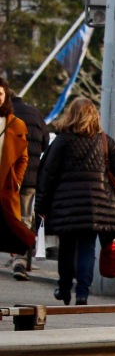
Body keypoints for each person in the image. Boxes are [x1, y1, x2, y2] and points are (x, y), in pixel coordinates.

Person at [35, 98, 115, 305]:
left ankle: (65, 288)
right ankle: (83, 292)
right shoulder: (105, 141)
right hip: (96, 205)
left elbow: (47, 174)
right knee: (87, 248)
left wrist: (41, 206)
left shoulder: (62, 141)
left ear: (71, 114)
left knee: (66, 248)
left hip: (66, 205)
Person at [10, 92, 48, 280]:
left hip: (7, 177)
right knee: (25, 218)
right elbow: (45, 142)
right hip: (30, 177)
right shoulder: (35, 113)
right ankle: (20, 260)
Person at [0, 76, 35, 259]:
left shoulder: (16, 124)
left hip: (5, 185)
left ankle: (19, 261)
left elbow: (23, 157)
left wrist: (17, 181)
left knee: (13, 227)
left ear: (5, 96)